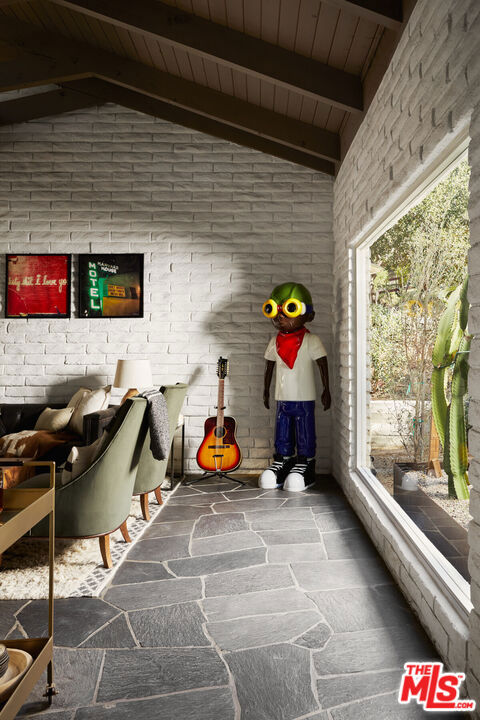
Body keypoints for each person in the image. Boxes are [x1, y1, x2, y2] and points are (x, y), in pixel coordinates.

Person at [259, 282, 331, 492]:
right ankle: (283, 460)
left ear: (309, 315)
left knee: (304, 430)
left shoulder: (311, 340)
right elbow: (269, 367)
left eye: (289, 310)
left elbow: (322, 364)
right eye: (276, 311)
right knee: (282, 430)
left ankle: (306, 463)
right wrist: (265, 389)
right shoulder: (275, 342)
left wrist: (327, 389)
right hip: (282, 398)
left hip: (304, 397)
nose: (280, 317)